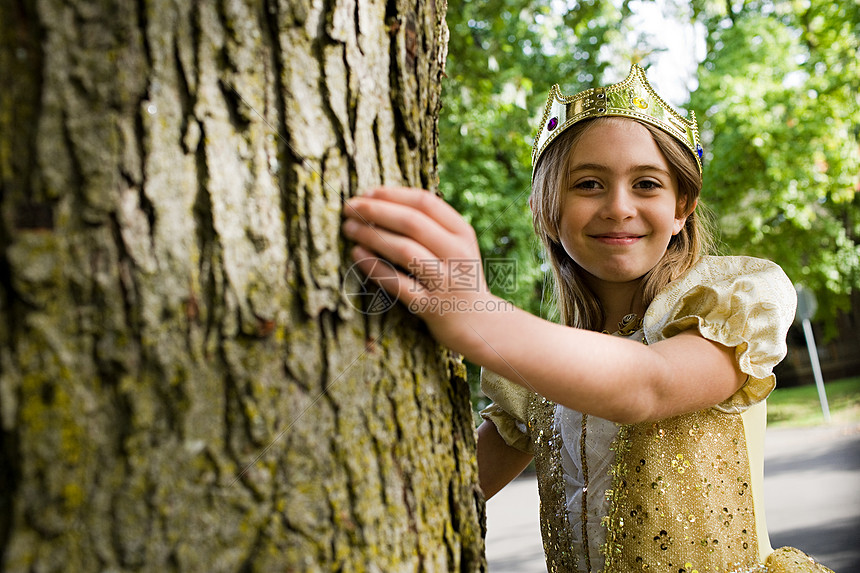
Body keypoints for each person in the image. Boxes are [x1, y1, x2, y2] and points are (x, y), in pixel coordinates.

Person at [342, 64, 833, 572]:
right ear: (546, 209)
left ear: (682, 206)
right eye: (589, 184)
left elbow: (648, 384)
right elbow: (442, 495)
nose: (619, 207)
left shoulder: (729, 301)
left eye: (646, 184)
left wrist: (476, 313)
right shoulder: (541, 365)